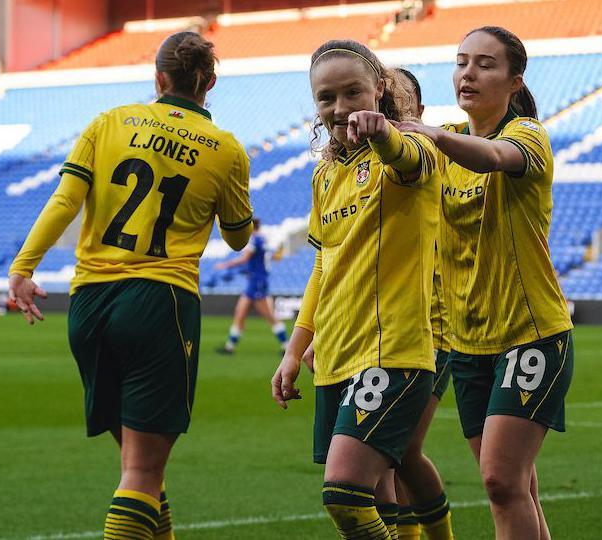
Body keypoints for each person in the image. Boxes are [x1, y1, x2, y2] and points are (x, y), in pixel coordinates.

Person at [7, 31, 253, 540]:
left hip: (90, 302)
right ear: (209, 84)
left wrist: (23, 268)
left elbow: (64, 202)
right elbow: (236, 237)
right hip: (159, 302)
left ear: (158, 78)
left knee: (141, 468)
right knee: (141, 473)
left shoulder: (109, 122)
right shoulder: (227, 149)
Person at [398, 26, 574, 540]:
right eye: (460, 62)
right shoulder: (444, 141)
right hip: (468, 341)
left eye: (485, 64)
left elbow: (494, 158)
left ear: (515, 82)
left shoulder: (526, 136)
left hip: (530, 331)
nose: (467, 73)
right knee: (515, 487)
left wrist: (434, 136)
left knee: (501, 481)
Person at [270, 39, 441, 540]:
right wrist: (293, 350)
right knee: (377, 501)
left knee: (343, 491)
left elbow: (407, 159)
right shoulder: (325, 174)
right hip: (337, 354)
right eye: (327, 98)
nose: (340, 108)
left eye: (352, 93)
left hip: (392, 350)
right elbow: (323, 267)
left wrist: (383, 135)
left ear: (379, 89)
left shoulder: (412, 150)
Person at [391, 66, 454, 540]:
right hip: (374, 324)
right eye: (381, 94)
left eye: (399, 96)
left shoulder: (434, 153)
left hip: (431, 322)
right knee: (379, 453)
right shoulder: (356, 164)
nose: (389, 102)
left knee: (400, 448)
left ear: (421, 111)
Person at [214, 217, 289, 354]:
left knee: (269, 315)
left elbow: (244, 258)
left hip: (257, 282)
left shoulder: (254, 240)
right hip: (255, 281)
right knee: (240, 313)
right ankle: (229, 347)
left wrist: (225, 265)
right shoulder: (263, 240)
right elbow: (269, 258)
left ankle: (287, 346)